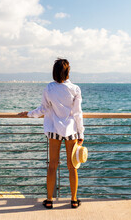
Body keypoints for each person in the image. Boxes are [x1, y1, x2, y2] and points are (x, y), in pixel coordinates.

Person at [18, 58, 84, 209]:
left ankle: (49, 200)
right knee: (72, 165)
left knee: (52, 166)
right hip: (71, 131)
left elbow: (42, 109)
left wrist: (28, 114)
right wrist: (81, 133)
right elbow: (78, 114)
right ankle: (73, 200)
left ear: (54, 72)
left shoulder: (49, 88)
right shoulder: (75, 89)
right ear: (68, 72)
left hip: (54, 130)